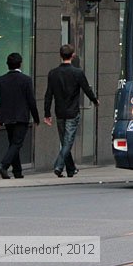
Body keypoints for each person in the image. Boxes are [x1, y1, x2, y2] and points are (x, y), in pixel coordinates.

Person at [44, 45, 99, 177]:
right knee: (68, 141)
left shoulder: (53, 73)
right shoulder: (77, 72)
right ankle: (59, 165)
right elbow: (86, 89)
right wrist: (95, 100)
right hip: (72, 111)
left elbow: (48, 94)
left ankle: (71, 169)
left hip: (59, 112)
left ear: (60, 55)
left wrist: (47, 113)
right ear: (73, 55)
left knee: (64, 141)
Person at [0, 53, 40, 179]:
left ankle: (17, 171)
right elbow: (31, 100)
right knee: (17, 143)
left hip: (7, 117)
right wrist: (36, 117)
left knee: (13, 143)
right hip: (21, 117)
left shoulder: (1, 80)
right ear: (20, 64)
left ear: (7, 65)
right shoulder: (26, 80)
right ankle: (4, 165)